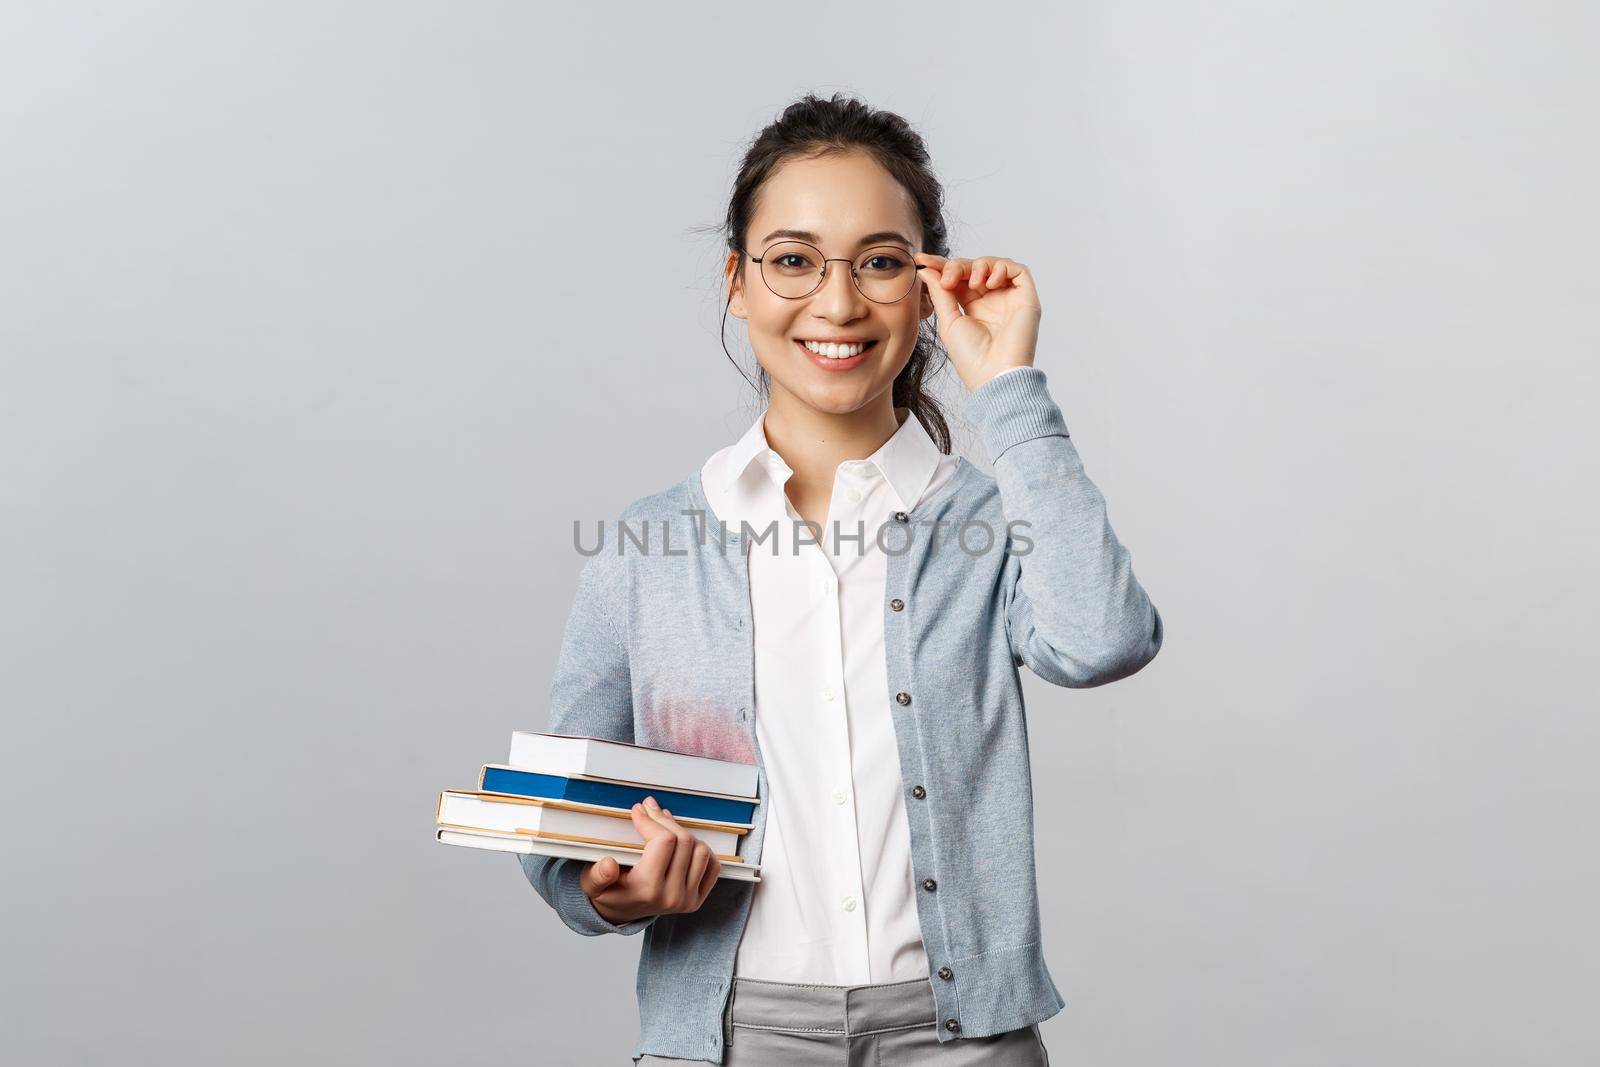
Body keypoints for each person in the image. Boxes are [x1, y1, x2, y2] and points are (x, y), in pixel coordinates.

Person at [519, 92, 1163, 1066]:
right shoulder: (646, 545)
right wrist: (609, 887)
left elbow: (1103, 637)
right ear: (737, 280)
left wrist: (1010, 394)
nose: (837, 302)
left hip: (963, 1038)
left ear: (926, 284)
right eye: (792, 259)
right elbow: (564, 820)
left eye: (879, 261)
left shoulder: (988, 518)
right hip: (729, 1034)